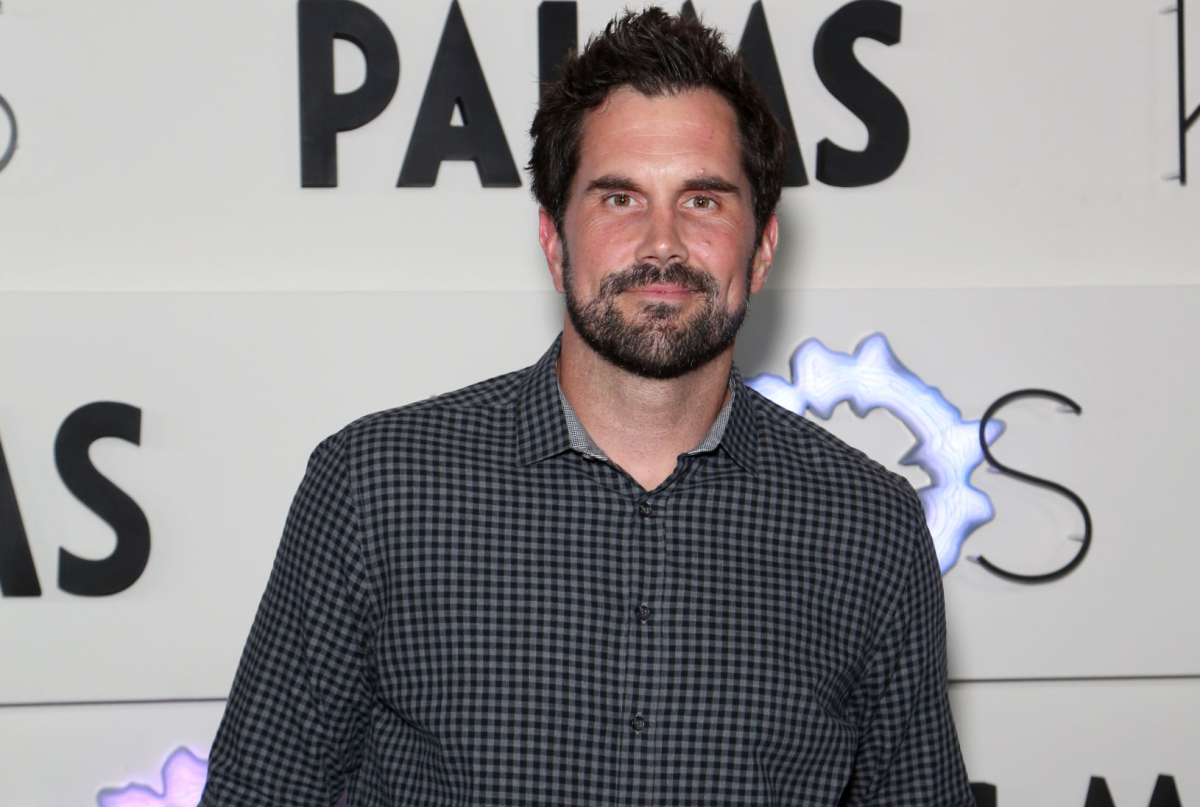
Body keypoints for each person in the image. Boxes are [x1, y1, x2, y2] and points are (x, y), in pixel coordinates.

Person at [199, 7, 973, 806]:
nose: (663, 243)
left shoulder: (867, 525)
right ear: (553, 239)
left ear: (764, 247)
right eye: (619, 199)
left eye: (703, 200)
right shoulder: (375, 489)